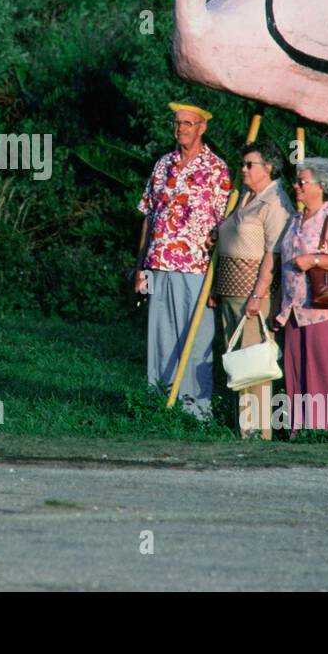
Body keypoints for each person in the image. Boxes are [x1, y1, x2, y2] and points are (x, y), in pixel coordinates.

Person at [135, 102, 232, 418]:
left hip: (197, 268)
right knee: (160, 338)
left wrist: (218, 279)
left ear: (201, 127)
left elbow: (225, 227)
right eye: (177, 123)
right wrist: (140, 268)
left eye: (187, 123)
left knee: (195, 338)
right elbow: (148, 216)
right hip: (159, 263)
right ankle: (159, 404)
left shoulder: (217, 169)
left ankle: (195, 411)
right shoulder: (163, 164)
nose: (181, 129)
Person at [272, 157, 328, 439]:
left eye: (302, 181)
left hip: (325, 309)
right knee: (296, 370)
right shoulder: (297, 219)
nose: (296, 186)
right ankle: (300, 431)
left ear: (321, 186)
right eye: (297, 181)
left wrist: (313, 260)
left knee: (323, 368)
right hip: (295, 310)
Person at [211, 139, 294, 438]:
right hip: (229, 290)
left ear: (268, 168)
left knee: (255, 364)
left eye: (250, 164)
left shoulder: (276, 203)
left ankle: (258, 432)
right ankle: (242, 428)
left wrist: (258, 296)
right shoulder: (244, 195)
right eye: (243, 164)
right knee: (237, 362)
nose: (243, 169)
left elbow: (273, 255)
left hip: (252, 296)